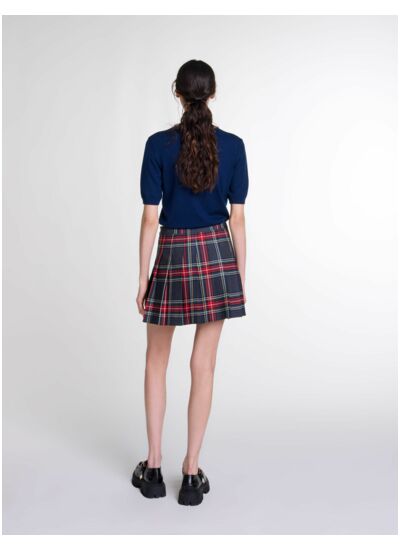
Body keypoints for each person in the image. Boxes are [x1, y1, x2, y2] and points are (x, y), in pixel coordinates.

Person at [131, 59, 249, 506]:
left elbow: (150, 218)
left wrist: (143, 277)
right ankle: (192, 472)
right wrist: (238, 276)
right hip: (217, 256)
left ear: (177, 93)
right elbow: (238, 219)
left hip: (173, 252)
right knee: (204, 366)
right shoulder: (233, 146)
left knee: (156, 361)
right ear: (212, 94)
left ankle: (153, 467)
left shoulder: (157, 145)